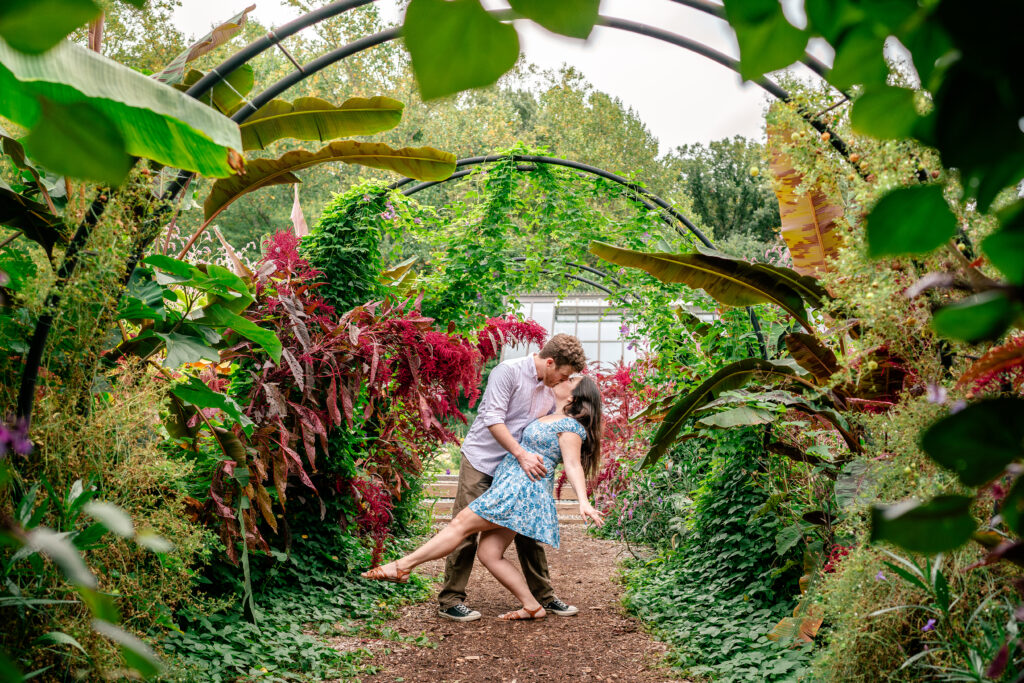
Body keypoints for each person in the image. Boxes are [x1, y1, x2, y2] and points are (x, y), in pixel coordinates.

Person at [361, 374, 604, 621]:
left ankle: (403, 566)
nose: (565, 377)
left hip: (521, 492)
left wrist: (583, 501)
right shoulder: (551, 414)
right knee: (489, 553)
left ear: (574, 396)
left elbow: (573, 465)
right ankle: (533, 606)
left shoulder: (571, 427)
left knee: (460, 524)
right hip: (514, 487)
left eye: (572, 379)